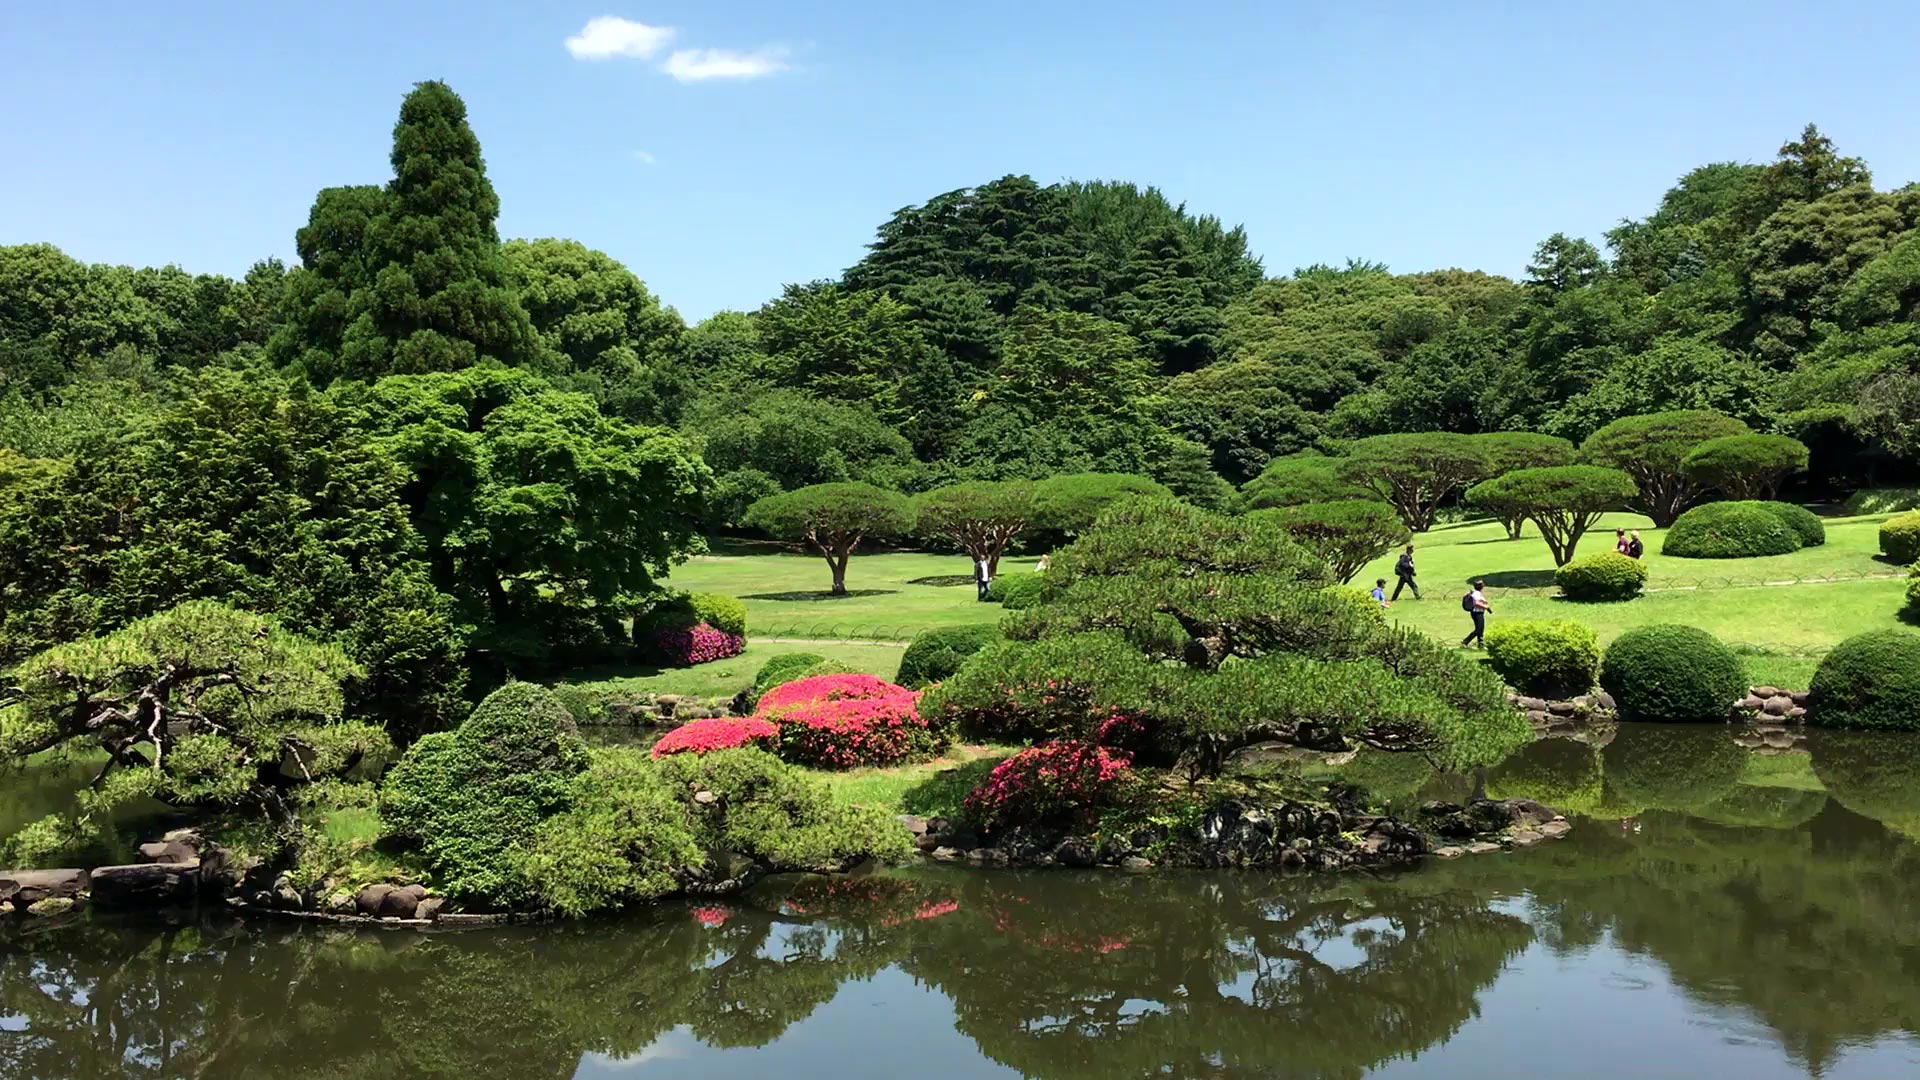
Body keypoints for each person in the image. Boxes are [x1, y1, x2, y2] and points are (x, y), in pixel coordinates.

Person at [1461, 578, 1491, 648]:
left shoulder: (1476, 593)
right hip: (1477, 613)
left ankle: (1480, 644)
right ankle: (1466, 641)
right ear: (1481, 586)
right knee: (1478, 629)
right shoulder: (1477, 594)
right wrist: (1485, 606)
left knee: (1480, 629)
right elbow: (1477, 603)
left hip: (1478, 613)